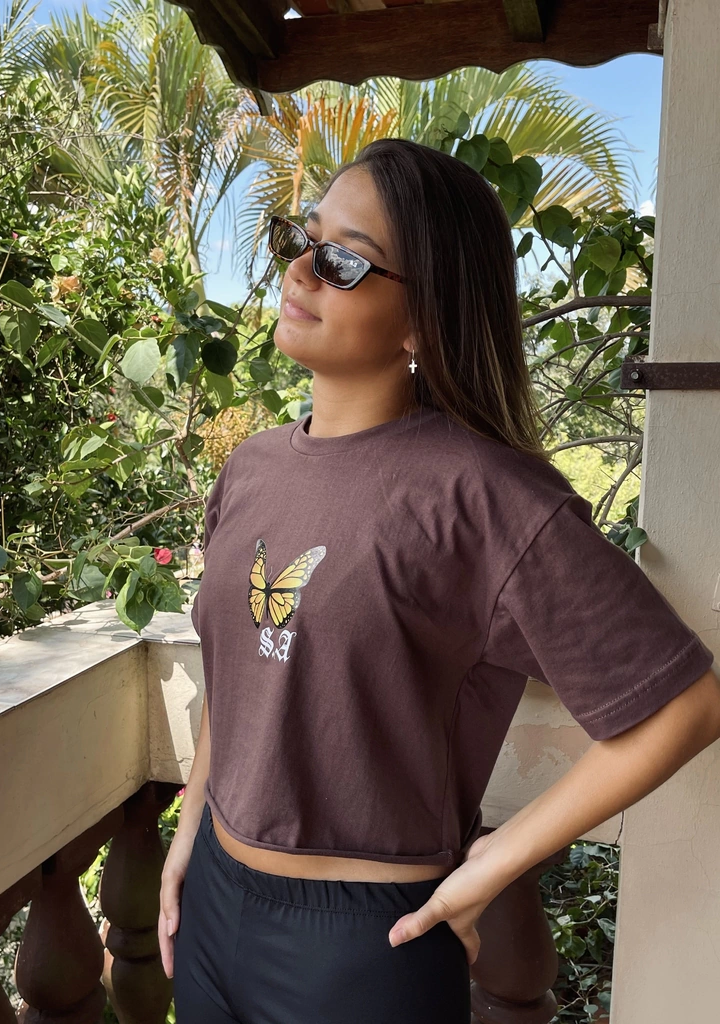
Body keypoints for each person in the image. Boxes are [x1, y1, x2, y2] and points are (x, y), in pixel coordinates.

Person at [159, 138, 720, 1023]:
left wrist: (491, 865)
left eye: (343, 260)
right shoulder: (252, 468)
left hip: (362, 947)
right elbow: (241, 675)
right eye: (300, 238)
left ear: (424, 318)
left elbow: (683, 705)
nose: (300, 271)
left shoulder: (485, 495)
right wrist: (191, 831)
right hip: (213, 904)